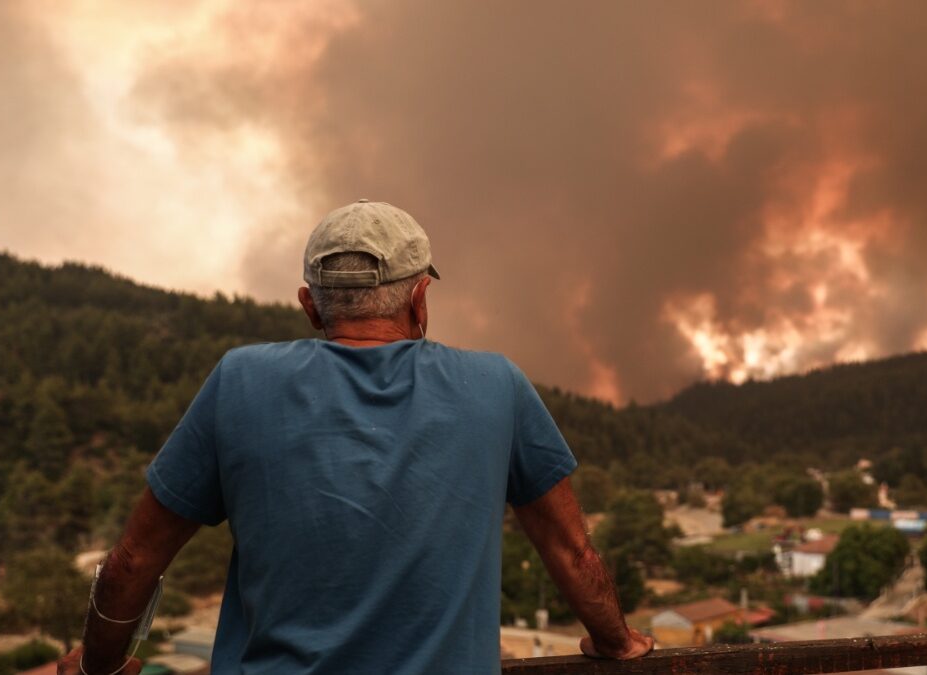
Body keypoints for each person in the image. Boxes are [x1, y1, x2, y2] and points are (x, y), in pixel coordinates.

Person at [59, 200, 653, 674]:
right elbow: (571, 552)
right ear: (421, 300)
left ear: (310, 308)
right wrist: (617, 642)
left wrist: (98, 665)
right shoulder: (496, 385)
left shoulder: (241, 379)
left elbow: (134, 559)